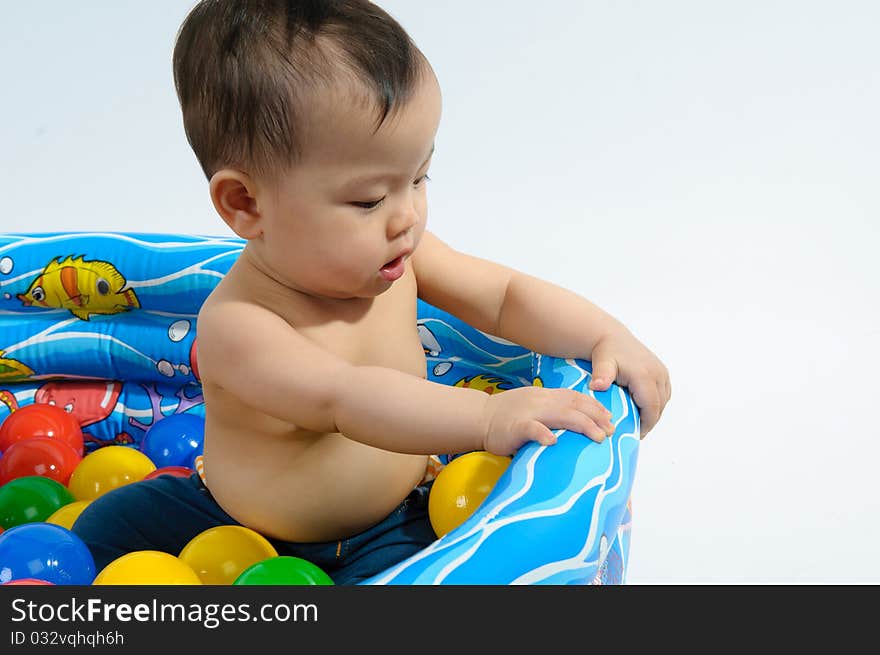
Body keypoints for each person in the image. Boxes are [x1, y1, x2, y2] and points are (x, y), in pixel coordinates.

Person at [72, 0, 671, 584]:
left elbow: (504, 295)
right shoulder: (239, 324)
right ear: (246, 204)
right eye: (368, 200)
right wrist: (489, 415)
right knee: (96, 530)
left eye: (418, 178)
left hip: (396, 517)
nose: (406, 216)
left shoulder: (399, 255)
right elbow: (346, 398)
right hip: (235, 527)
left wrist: (603, 333)